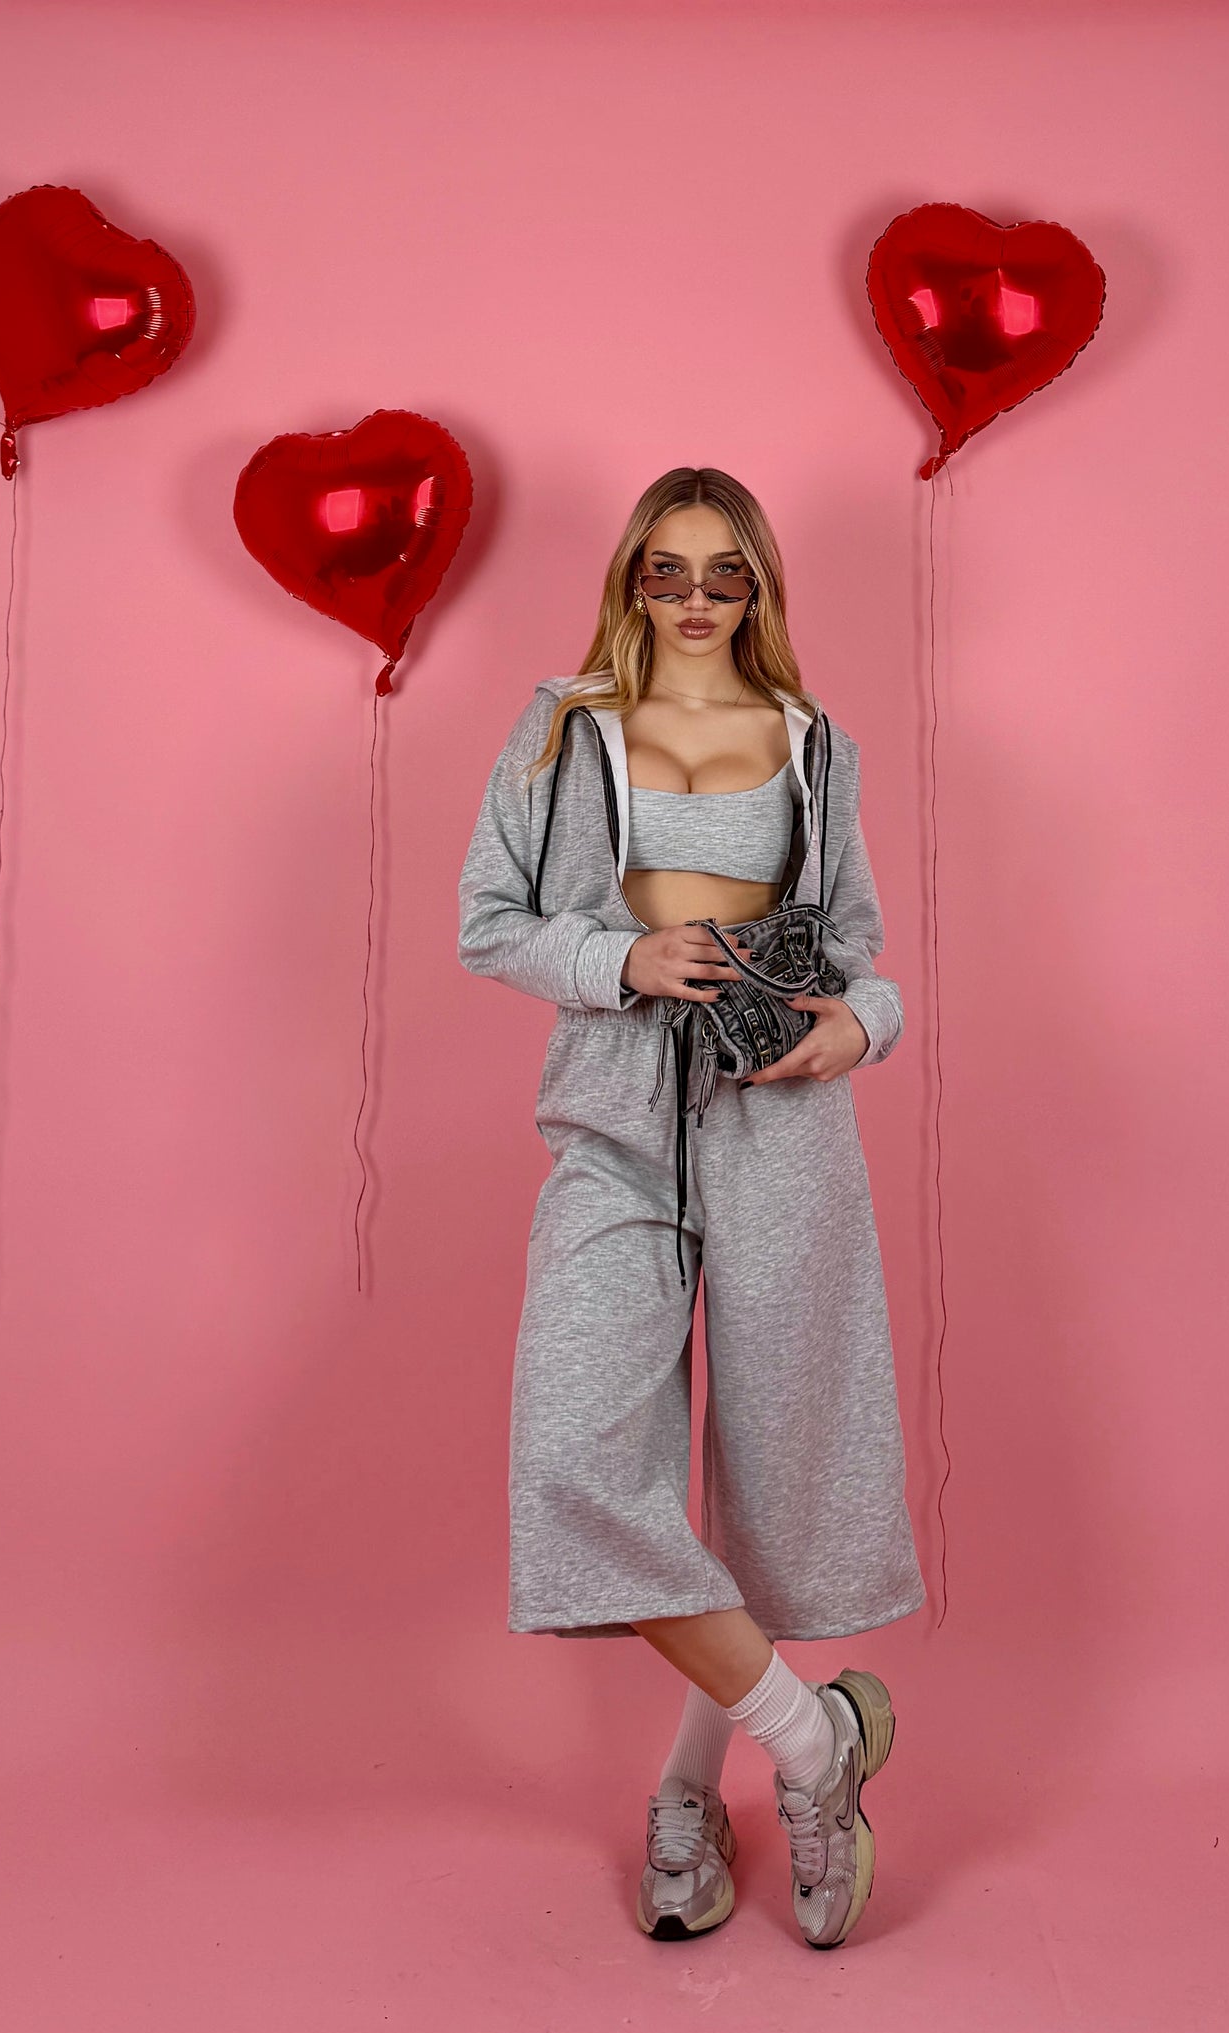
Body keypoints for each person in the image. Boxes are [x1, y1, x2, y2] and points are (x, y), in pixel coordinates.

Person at [457, 466, 925, 1950]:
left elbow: (862, 959)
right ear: (632, 578)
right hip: (613, 1126)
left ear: (761, 587)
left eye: (729, 574)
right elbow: (489, 923)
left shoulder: (817, 744)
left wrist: (862, 1031)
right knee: (577, 1457)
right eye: (671, 570)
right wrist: (620, 963)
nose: (700, 599)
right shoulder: (562, 727)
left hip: (784, 1126)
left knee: (775, 1481)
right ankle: (812, 1740)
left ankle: (685, 1791)